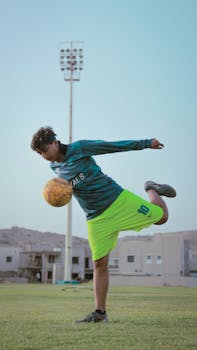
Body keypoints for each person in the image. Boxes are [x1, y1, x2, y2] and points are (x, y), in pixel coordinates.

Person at [31, 126, 176, 323]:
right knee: (100, 264)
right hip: (95, 218)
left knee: (162, 217)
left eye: (45, 150)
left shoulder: (79, 148)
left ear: (55, 143)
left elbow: (111, 147)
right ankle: (100, 313)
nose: (43, 156)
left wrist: (145, 143)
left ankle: (152, 189)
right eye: (40, 153)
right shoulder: (55, 169)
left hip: (117, 200)